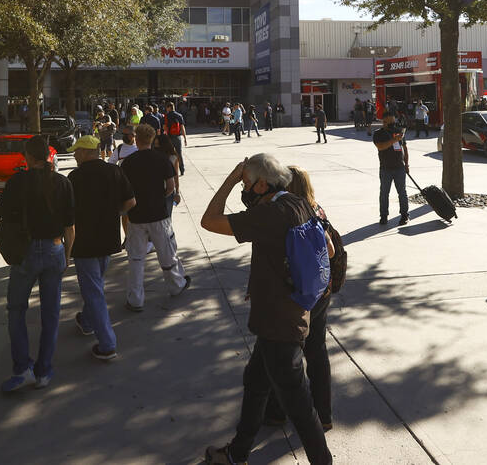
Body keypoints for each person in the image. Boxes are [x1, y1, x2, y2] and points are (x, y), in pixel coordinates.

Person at [200, 154, 332, 465]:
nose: (244, 190)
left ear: (262, 184)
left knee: (300, 407)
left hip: (278, 325)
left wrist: (231, 180)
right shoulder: (297, 203)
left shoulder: (270, 214)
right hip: (287, 313)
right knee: (256, 382)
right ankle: (238, 452)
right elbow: (325, 246)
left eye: (246, 184)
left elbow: (209, 220)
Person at [0, 136, 75, 391]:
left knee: (17, 309)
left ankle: (22, 368)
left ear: (28, 156)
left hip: (24, 251)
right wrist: (67, 256)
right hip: (54, 248)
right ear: (50, 156)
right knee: (50, 313)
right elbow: (70, 227)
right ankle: (44, 371)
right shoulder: (63, 183)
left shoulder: (17, 181)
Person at [263, 166, 334, 432]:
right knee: (317, 354)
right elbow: (331, 249)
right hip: (320, 291)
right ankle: (324, 415)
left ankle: (276, 412)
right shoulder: (317, 209)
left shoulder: (289, 214)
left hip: (296, 295)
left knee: (282, 356)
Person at [66, 135, 135, 361]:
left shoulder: (74, 177)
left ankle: (107, 344)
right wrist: (115, 214)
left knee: (93, 290)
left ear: (86, 152)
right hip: (108, 239)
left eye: (77, 151)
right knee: (95, 286)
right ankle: (86, 321)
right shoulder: (114, 171)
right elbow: (130, 202)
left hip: (84, 242)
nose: (75, 155)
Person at [120, 124, 190, 312]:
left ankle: (135, 299)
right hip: (158, 214)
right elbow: (170, 186)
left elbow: (123, 190)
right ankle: (176, 285)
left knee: (136, 259)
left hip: (136, 216)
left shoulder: (127, 162)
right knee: (167, 254)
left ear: (137, 138)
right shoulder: (162, 160)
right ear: (152, 139)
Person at [373, 112, 409, 226]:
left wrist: (407, 164)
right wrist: (395, 140)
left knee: (402, 193)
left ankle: (404, 215)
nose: (394, 124)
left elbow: (405, 148)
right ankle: (383, 216)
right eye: (391, 123)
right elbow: (380, 146)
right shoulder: (378, 134)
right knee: (384, 193)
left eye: (394, 122)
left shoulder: (398, 131)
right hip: (385, 169)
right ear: (384, 122)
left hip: (399, 167)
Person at [154, 133, 182, 205]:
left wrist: (177, 192)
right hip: (155, 190)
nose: (155, 146)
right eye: (155, 144)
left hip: (168, 190)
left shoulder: (173, 158)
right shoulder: (153, 157)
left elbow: (176, 176)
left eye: (157, 144)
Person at [163, 102, 188, 175]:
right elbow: (182, 128)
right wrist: (185, 138)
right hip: (177, 137)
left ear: (169, 108)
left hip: (169, 137)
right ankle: (182, 170)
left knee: (168, 154)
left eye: (167, 108)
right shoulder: (179, 115)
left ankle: (169, 170)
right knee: (179, 154)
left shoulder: (166, 116)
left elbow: (165, 128)